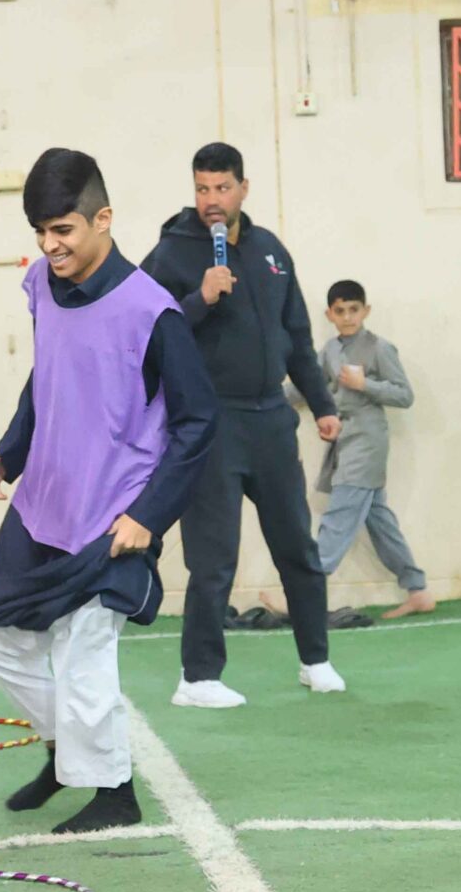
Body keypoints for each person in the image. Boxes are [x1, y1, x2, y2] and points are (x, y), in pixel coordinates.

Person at [0, 149, 218, 831]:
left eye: (63, 230)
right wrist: (8, 452)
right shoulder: (40, 285)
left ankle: (114, 794)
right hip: (43, 505)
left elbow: (199, 421)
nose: (49, 246)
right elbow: (47, 374)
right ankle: (66, 754)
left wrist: (149, 514)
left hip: (114, 515)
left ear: (103, 218)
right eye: (40, 232)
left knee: (84, 655)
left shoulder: (152, 311)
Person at [141, 142, 347, 706]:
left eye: (222, 188)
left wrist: (323, 406)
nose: (212, 199)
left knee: (298, 549)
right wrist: (199, 299)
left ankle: (316, 660)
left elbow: (297, 336)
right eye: (202, 189)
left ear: (243, 188)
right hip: (210, 423)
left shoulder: (270, 250)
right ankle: (198, 678)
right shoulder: (170, 254)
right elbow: (142, 335)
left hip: (272, 419)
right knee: (213, 559)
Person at [309, 279, 433, 619]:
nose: (348, 317)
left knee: (339, 515)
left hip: (367, 441)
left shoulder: (379, 348)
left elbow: (404, 394)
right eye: (340, 311)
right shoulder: (329, 350)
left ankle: (306, 592)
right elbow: (309, 385)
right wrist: (264, 398)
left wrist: (365, 384)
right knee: (379, 521)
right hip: (342, 440)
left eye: (354, 309)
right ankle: (418, 590)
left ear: (366, 311)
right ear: (330, 314)